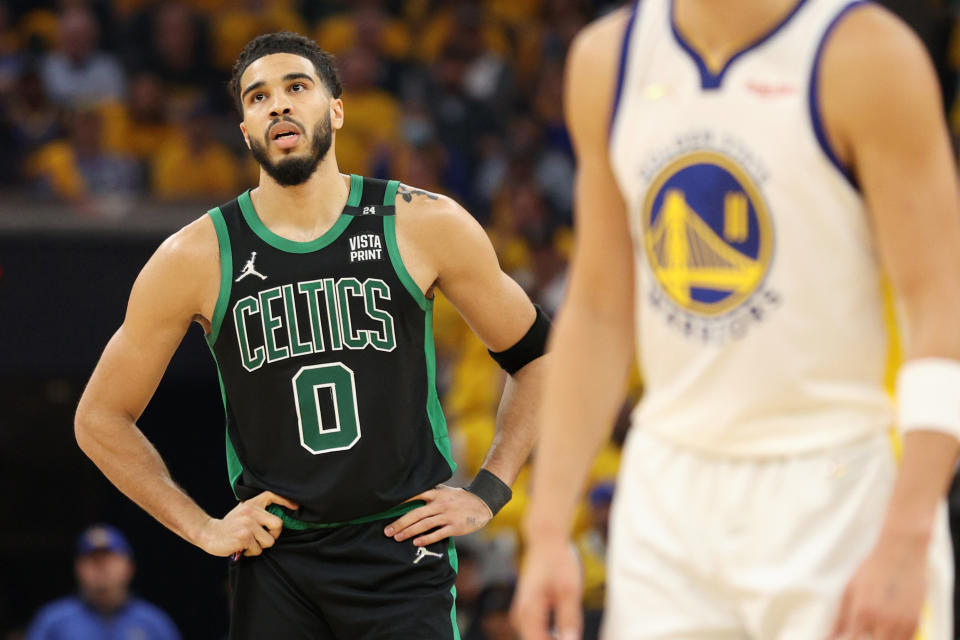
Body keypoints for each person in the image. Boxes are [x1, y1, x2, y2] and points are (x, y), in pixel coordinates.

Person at [74, 31, 547, 639]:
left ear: (337, 108)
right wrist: (203, 528)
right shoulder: (194, 256)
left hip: (403, 551)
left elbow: (538, 357)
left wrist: (489, 489)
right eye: (257, 97)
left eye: (297, 87)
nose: (277, 105)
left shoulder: (423, 222)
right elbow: (99, 418)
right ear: (244, 129)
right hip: (280, 561)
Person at [513, 1, 960, 639]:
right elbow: (599, 307)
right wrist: (549, 525)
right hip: (667, 487)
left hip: (841, 479)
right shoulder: (606, 60)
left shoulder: (866, 55)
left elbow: (941, 309)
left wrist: (910, 529)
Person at [26, 525, 180, 640]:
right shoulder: (53, 621)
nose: (101, 567)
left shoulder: (154, 622)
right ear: (77, 568)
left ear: (129, 567)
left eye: (109, 559)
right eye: (93, 560)